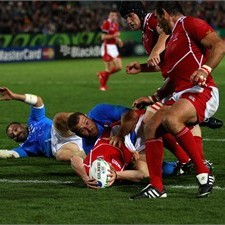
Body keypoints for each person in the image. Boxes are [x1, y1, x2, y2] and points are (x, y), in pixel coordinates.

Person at [129, 1, 225, 200]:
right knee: (151, 126)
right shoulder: (173, 39)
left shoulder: (190, 24)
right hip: (181, 94)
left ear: (164, 14)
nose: (158, 26)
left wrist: (204, 69)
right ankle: (157, 187)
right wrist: (152, 96)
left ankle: (203, 172)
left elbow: (220, 45)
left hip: (202, 90)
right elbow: (172, 78)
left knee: (171, 119)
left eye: (159, 20)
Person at [119, 1, 223, 129]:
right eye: (125, 18)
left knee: (153, 123)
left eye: (130, 15)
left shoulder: (151, 20)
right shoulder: (144, 35)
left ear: (139, 12)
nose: (129, 21)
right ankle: (198, 122)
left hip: (186, 82)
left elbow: (165, 32)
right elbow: (164, 64)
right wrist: (142, 68)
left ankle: (199, 119)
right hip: (174, 82)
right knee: (162, 125)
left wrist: (156, 50)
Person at [70, 110, 177, 189]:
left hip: (126, 133)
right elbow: (142, 175)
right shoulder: (116, 174)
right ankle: (179, 165)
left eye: (87, 123)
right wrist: (117, 175)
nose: (88, 128)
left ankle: (185, 157)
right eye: (82, 130)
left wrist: (84, 177)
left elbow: (74, 159)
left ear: (87, 117)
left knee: (154, 122)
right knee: (157, 171)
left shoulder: (91, 165)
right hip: (134, 151)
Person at [0, 87, 85, 161]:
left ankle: (86, 119)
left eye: (15, 129)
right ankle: (92, 157)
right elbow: (10, 154)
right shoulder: (25, 148)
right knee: (61, 156)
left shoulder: (34, 120)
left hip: (61, 133)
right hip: (59, 147)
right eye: (12, 136)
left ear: (22, 125)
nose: (15, 133)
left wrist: (14, 96)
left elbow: (38, 101)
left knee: (59, 118)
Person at [96, 11, 123, 91]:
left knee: (119, 67)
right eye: (112, 15)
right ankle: (102, 86)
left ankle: (102, 74)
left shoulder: (115, 24)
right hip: (107, 47)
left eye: (115, 15)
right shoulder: (106, 23)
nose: (113, 16)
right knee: (109, 68)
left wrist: (119, 41)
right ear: (109, 15)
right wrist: (114, 36)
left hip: (114, 47)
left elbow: (115, 37)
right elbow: (103, 37)